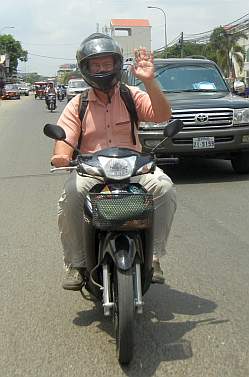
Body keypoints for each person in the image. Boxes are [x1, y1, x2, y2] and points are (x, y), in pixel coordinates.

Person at [51, 33, 176, 290]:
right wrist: (61, 156)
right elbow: (64, 137)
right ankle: (77, 264)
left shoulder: (132, 95)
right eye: (95, 65)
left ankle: (154, 257)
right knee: (72, 195)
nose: (101, 69)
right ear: (85, 68)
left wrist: (149, 81)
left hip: (133, 168)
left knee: (164, 188)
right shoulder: (78, 104)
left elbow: (162, 114)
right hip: (92, 171)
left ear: (117, 65)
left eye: (106, 63)